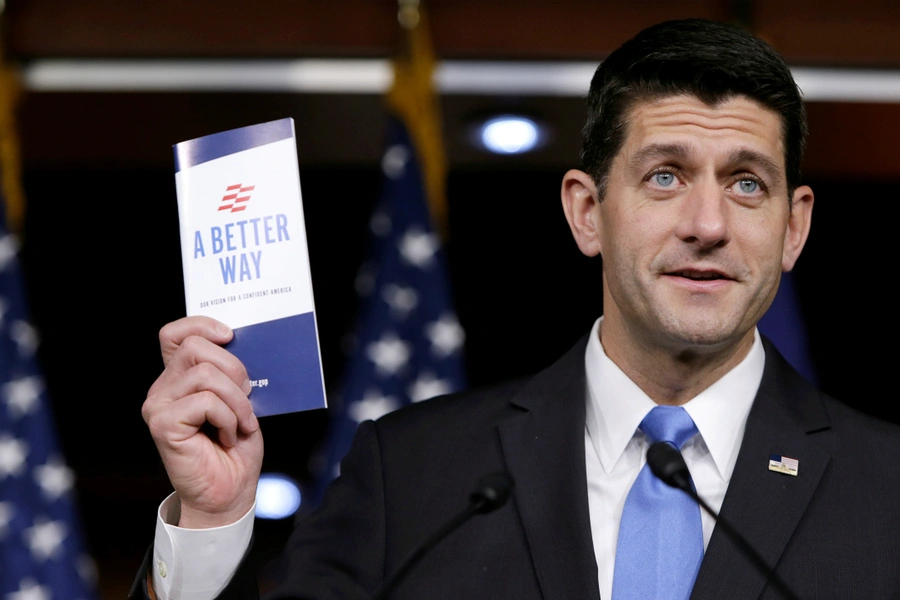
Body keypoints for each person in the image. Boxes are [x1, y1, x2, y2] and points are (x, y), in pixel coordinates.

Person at [133, 18, 900, 600]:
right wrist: (210, 523)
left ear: (793, 226)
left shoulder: (887, 491)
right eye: (665, 177)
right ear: (586, 212)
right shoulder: (412, 478)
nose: (707, 223)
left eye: (747, 184)